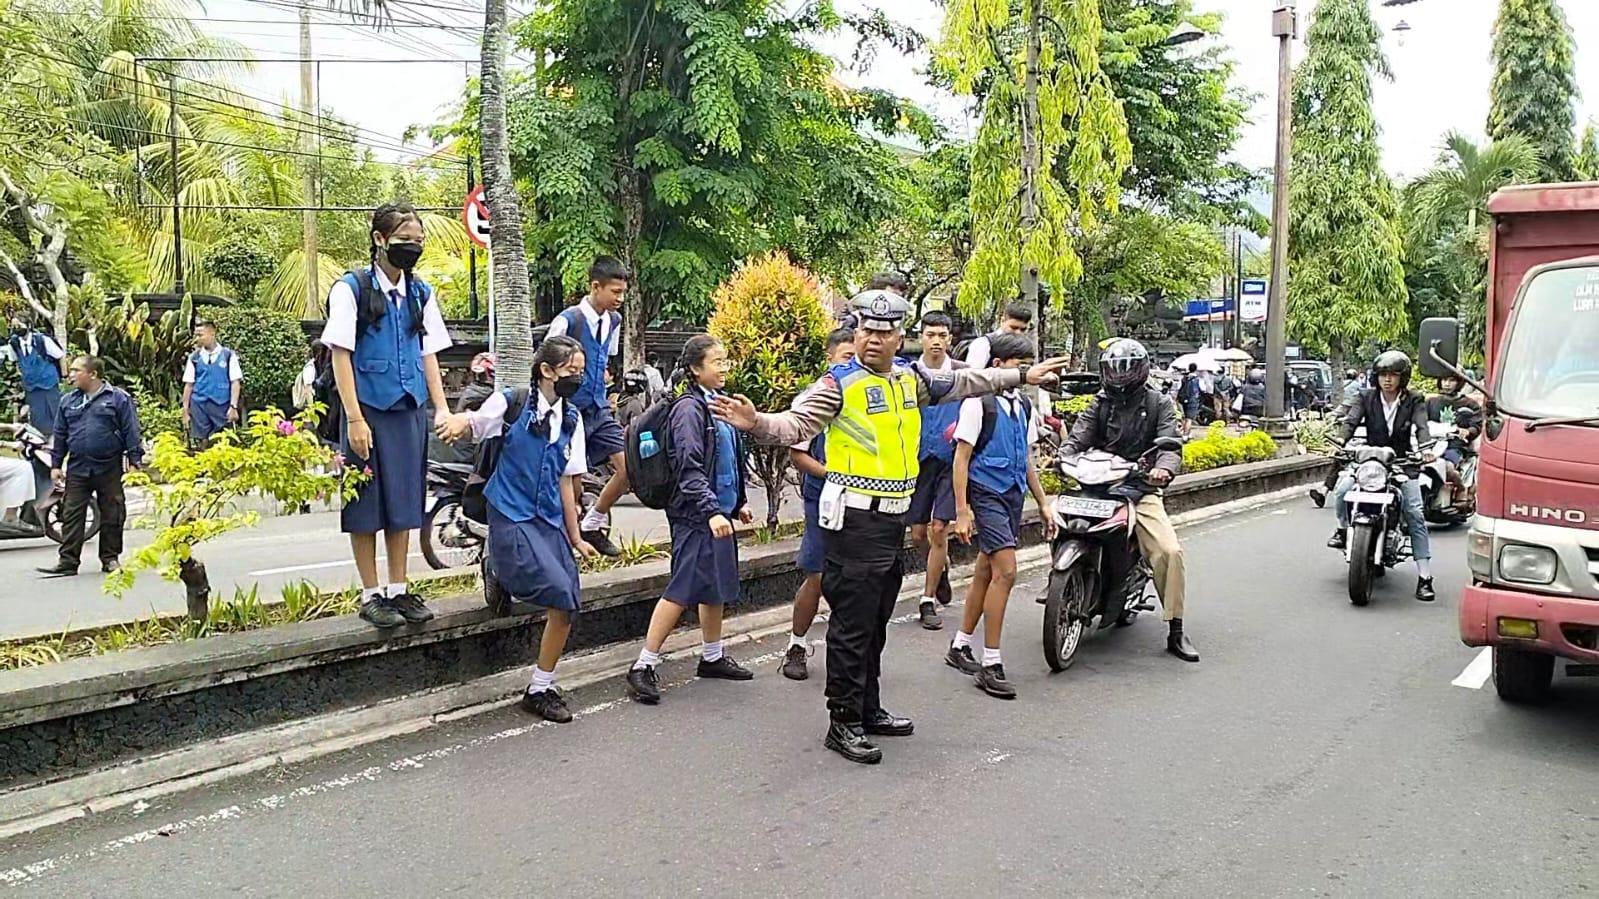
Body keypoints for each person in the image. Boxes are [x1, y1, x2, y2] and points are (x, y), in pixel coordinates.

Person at [710, 290, 1069, 765]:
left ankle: (867, 707)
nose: (873, 340)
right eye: (865, 330)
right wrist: (755, 421)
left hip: (889, 522)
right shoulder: (839, 384)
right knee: (852, 625)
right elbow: (793, 426)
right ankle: (843, 721)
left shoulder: (909, 380)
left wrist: (1022, 375)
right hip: (853, 520)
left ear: (901, 338)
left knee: (876, 621)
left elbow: (965, 382)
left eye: (883, 332)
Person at [440, 336, 597, 723]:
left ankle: (540, 686)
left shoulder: (571, 419)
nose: (577, 379)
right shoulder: (512, 402)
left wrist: (575, 535)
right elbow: (477, 423)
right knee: (553, 588)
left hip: (547, 518)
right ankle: (497, 564)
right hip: (509, 510)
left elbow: (566, 480)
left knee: (568, 601)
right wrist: (458, 422)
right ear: (547, 371)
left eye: (580, 372)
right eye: (570, 372)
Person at [322, 203, 453, 629]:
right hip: (368, 411)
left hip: (409, 409)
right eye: (404, 240)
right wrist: (354, 419)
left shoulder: (421, 293)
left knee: (404, 501)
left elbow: (429, 353)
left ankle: (398, 588)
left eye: (417, 241)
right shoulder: (352, 289)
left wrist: (442, 408)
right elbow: (340, 354)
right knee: (365, 503)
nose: (412, 248)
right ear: (380, 239)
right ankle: (370, 592)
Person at [626, 335, 755, 705]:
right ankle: (643, 665)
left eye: (725, 359)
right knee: (682, 588)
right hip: (696, 513)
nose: (724, 367)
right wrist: (711, 509)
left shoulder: (717, 405)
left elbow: (728, 459)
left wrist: (736, 503)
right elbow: (688, 467)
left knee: (715, 584)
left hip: (718, 513)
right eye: (717, 361)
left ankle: (712, 656)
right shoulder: (688, 409)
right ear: (696, 369)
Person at [1061, 339, 1197, 662]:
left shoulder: (1160, 403)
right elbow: (1077, 438)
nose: (1120, 377)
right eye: (1114, 370)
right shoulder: (1100, 403)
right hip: (1097, 486)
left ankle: (1176, 627)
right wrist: (1063, 456)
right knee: (1060, 519)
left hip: (1140, 487)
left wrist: (1163, 470)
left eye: (1127, 369)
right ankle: (1066, 582)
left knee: (1169, 552)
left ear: (1142, 370)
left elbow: (1170, 447)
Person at [945, 333, 1054, 699]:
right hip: (987, 492)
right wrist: (962, 510)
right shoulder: (979, 403)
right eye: (1018, 365)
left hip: (1011, 495)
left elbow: (1026, 459)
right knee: (1006, 571)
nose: (1025, 371)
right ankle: (990, 662)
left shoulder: (1023, 406)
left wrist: (1042, 502)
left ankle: (960, 644)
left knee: (986, 570)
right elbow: (961, 458)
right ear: (998, 367)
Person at [1326, 351, 1437, 602]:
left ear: (1403, 378)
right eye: (1383, 375)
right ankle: (1344, 530)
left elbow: (1422, 427)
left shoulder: (1414, 400)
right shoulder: (1365, 397)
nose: (1387, 380)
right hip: (1370, 461)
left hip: (1401, 461)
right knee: (1343, 491)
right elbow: (1351, 421)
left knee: (1415, 513)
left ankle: (1425, 577)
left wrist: (1426, 448)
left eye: (1393, 375)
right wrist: (1341, 441)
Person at [782, 328, 858, 681]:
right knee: (817, 574)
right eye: (846, 356)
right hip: (824, 499)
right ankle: (796, 645)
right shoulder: (818, 396)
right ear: (830, 358)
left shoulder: (865, 393)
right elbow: (798, 454)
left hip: (862, 500)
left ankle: (848, 654)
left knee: (856, 580)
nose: (853, 362)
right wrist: (832, 474)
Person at [548, 256, 629, 558]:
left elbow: (606, 360)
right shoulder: (568, 320)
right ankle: (571, 537)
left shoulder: (614, 321)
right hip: (571, 411)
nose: (620, 299)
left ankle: (593, 522)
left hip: (599, 409)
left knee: (628, 468)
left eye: (623, 292)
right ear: (596, 287)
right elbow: (546, 363)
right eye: (615, 292)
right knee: (572, 481)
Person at [36, 356, 141, 577]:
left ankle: (110, 559)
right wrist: (56, 465)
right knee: (72, 513)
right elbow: (61, 434)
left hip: (109, 466)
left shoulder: (117, 398)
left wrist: (134, 461)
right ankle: (68, 561)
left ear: (92, 374)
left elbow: (131, 430)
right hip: (78, 467)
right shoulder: (68, 401)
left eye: (76, 370)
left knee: (113, 513)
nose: (70, 375)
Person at [908, 311, 966, 630]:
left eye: (942, 335)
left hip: (950, 460)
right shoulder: (909, 374)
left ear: (949, 339)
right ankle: (940, 567)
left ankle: (927, 599)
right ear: (922, 337)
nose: (936, 341)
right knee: (918, 535)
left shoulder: (961, 375)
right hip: (918, 461)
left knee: (939, 529)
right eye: (931, 334)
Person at [180, 320, 243, 445]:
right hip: (199, 405)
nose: (197, 339)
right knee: (201, 442)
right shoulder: (194, 358)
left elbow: (235, 382)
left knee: (224, 440)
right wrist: (185, 410)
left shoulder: (228, 355)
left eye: (200, 335)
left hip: (221, 405)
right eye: (196, 335)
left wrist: (233, 406)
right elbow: (189, 385)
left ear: (212, 333)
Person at [1425, 373, 1481, 507]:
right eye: (1444, 379)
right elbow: (1420, 420)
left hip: (1454, 445)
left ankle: (1461, 488)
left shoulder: (1469, 404)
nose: (1447, 384)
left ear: (1459, 383)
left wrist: (1467, 431)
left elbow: (1477, 425)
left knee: (1447, 467)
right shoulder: (1430, 402)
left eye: (1451, 380)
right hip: (1430, 444)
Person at [4, 315, 65, 434]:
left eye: (19, 325)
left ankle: (60, 439)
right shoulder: (14, 343)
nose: (16, 328)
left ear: (28, 325)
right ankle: (42, 441)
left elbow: (60, 355)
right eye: (14, 326)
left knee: (55, 411)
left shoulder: (42, 340)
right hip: (31, 385)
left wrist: (65, 375)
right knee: (38, 415)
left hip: (49, 382)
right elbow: (14, 360)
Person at [963, 303, 1033, 368]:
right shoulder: (984, 343)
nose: (1018, 333)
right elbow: (972, 375)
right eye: (1013, 327)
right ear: (1002, 321)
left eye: (1023, 329)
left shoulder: (1025, 345)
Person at [1178, 364, 1203, 433]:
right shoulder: (1198, 379)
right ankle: (1186, 434)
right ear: (1196, 369)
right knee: (1189, 419)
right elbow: (1203, 389)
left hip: (1183, 399)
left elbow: (1178, 388)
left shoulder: (1184, 378)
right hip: (1193, 399)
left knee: (1184, 417)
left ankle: (1186, 432)